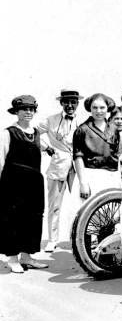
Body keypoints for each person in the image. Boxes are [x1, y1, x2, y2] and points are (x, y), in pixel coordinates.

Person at [0, 95, 49, 273]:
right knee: (13, 219)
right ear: (16, 112)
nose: (28, 112)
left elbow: (41, 146)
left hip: (34, 182)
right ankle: (12, 258)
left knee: (33, 218)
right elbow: (0, 160)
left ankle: (27, 257)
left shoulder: (36, 132)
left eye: (31, 109)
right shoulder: (8, 132)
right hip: (13, 182)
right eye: (24, 109)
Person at [38, 89, 85, 252]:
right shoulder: (51, 120)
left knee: (83, 202)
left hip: (80, 167)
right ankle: (52, 240)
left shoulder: (85, 121)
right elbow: (32, 133)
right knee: (54, 205)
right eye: (67, 102)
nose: (70, 105)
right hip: (58, 166)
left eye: (73, 102)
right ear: (61, 103)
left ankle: (81, 240)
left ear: (77, 103)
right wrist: (46, 147)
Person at [73, 93, 122, 200]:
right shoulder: (82, 130)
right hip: (90, 177)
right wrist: (83, 183)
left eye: (102, 107)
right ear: (90, 109)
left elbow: (117, 155)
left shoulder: (114, 129)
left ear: (107, 108)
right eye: (95, 108)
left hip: (111, 178)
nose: (98, 111)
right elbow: (78, 157)